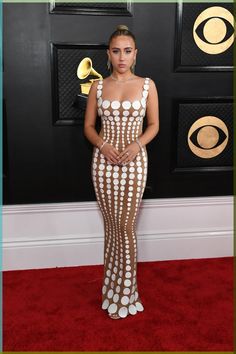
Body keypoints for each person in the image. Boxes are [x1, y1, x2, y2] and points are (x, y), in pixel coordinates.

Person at [84, 24, 159, 319]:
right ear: (108, 54)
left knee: (126, 228)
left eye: (127, 51)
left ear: (136, 54)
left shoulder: (147, 85)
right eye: (116, 51)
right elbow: (89, 127)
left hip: (134, 162)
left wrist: (136, 145)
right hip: (103, 163)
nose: (122, 57)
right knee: (111, 227)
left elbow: (154, 125)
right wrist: (103, 146)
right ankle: (111, 289)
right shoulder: (98, 86)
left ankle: (127, 294)